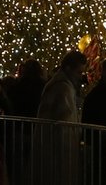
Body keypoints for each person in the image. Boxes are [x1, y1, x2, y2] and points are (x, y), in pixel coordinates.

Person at [35, 52, 86, 185]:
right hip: (58, 145)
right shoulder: (62, 87)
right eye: (79, 72)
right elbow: (64, 118)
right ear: (69, 69)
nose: (80, 76)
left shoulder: (61, 85)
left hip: (56, 143)